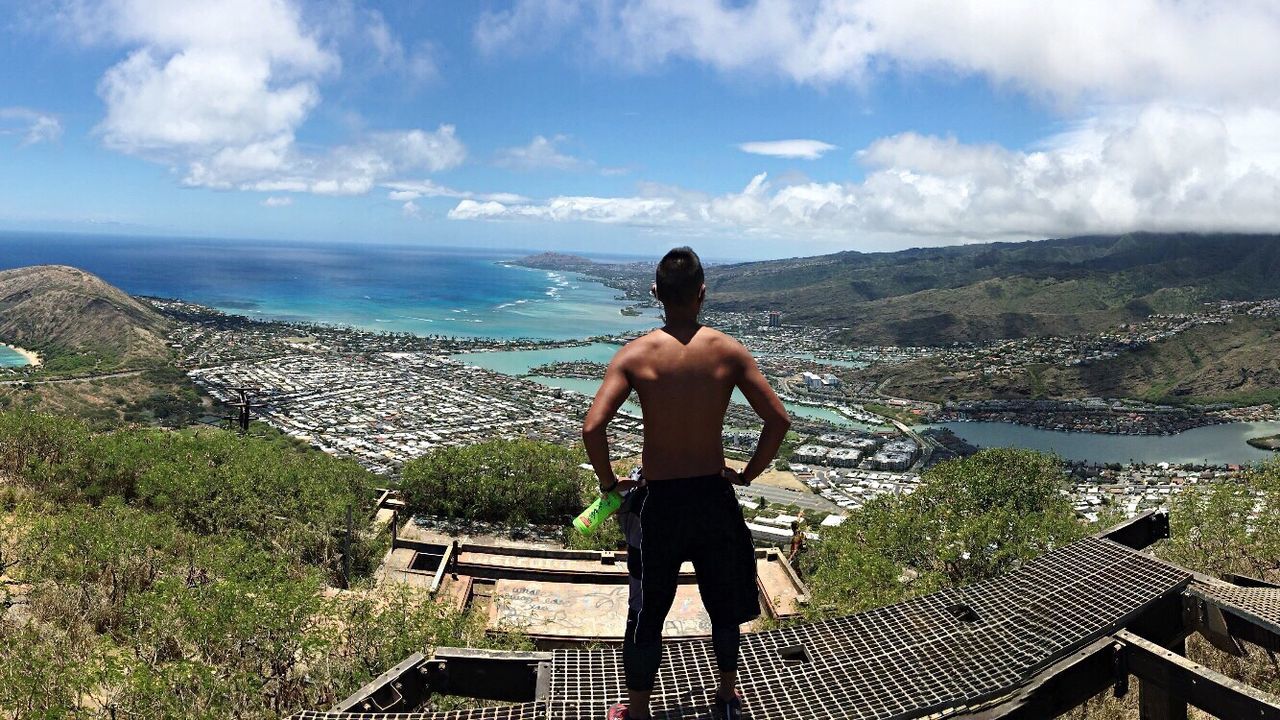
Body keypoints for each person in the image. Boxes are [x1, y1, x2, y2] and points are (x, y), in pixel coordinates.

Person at [582, 247, 792, 720]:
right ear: (702, 294)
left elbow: (593, 428)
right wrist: (748, 474)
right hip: (714, 497)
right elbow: (778, 420)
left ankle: (637, 711)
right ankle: (725, 693)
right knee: (723, 604)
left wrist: (608, 483)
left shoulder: (635, 355)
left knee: (647, 614)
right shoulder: (728, 351)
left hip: (659, 504)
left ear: (655, 293)